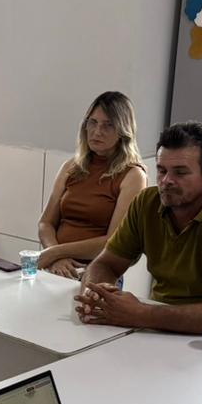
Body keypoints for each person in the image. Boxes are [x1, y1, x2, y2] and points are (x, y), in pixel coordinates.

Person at [75, 120, 202, 333]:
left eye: (180, 173)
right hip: (164, 326)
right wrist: (98, 294)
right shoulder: (146, 203)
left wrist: (141, 314)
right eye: (161, 170)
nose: (166, 181)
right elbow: (105, 265)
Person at [36, 91, 147, 279]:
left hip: (95, 274)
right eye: (93, 122)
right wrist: (56, 257)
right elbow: (45, 223)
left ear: (123, 131)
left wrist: (55, 253)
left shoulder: (133, 175)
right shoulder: (71, 166)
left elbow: (113, 242)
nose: (97, 132)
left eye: (108, 125)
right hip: (56, 267)